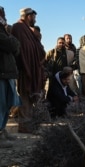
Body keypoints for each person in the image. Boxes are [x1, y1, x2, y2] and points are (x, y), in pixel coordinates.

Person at [11, 7, 46, 133]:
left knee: (30, 98)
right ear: (28, 16)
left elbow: (35, 46)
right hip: (25, 69)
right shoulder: (18, 27)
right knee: (24, 97)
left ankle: (29, 123)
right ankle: (24, 125)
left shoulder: (28, 30)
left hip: (33, 68)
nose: (35, 19)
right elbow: (23, 49)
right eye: (34, 17)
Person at [0, 6, 21, 148]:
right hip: (1, 73)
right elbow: (10, 44)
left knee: (7, 104)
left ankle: (2, 130)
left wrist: (11, 39)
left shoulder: (3, 29)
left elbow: (16, 48)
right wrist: (10, 37)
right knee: (0, 104)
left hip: (6, 72)